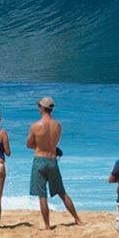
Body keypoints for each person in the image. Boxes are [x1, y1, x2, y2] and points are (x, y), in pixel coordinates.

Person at [26, 96, 81, 230]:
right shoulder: (58, 126)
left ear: (41, 108)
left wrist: (39, 146)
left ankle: (47, 225)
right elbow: (53, 144)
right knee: (62, 192)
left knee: (42, 195)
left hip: (39, 160)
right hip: (52, 160)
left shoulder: (35, 126)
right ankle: (77, 219)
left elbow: (29, 144)